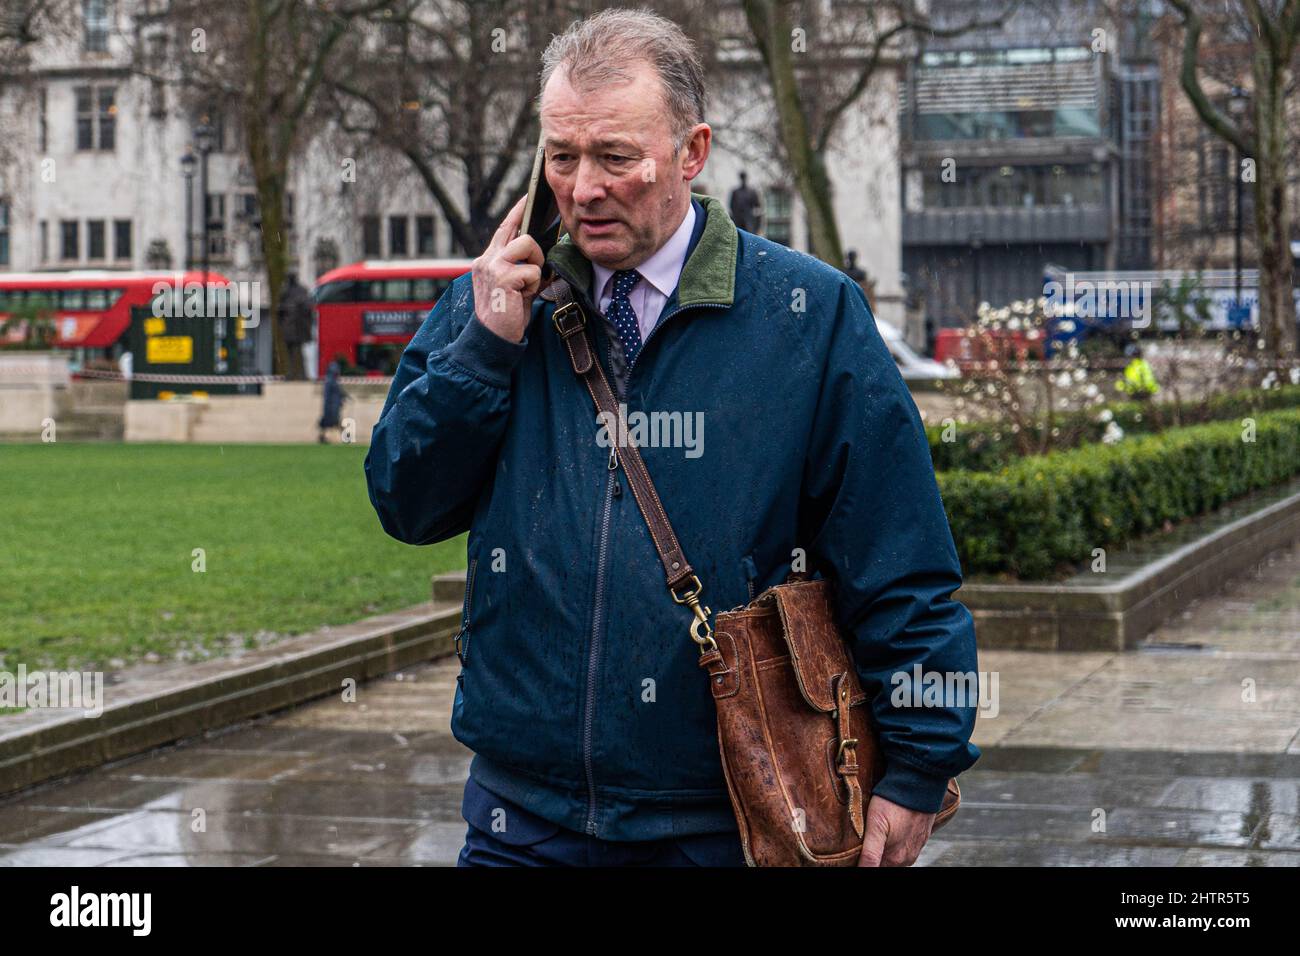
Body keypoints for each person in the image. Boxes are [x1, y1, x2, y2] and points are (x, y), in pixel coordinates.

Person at [365, 8, 979, 868]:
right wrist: (483, 350)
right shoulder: (495, 304)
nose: (583, 189)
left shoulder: (809, 312)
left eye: (617, 156)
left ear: (692, 153)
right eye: (562, 156)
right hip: (521, 819)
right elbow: (405, 501)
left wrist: (919, 765)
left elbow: (901, 559)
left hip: (728, 818)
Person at [318, 360, 349, 443]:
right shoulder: (330, 381)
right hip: (331, 406)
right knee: (332, 422)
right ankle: (345, 437)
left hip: (333, 405)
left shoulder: (331, 381)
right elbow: (334, 393)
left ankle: (323, 437)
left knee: (334, 422)